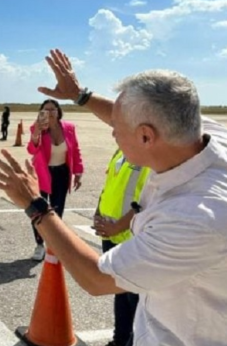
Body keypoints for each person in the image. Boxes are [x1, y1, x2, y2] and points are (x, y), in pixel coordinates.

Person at [0, 48, 227, 346]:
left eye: (116, 128)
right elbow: (148, 119)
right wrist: (81, 96)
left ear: (146, 136)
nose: (112, 133)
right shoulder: (216, 140)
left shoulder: (198, 216)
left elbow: (95, 278)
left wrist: (35, 205)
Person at [92, 148, 151, 346]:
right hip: (110, 233)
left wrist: (116, 227)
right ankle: (120, 340)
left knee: (134, 298)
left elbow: (144, 203)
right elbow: (108, 185)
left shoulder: (147, 157)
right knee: (119, 291)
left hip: (129, 236)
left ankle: (132, 342)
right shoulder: (120, 151)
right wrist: (98, 211)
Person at [26, 98, 84, 260]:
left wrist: (78, 172)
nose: (50, 112)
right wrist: (36, 132)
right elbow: (32, 150)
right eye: (46, 110)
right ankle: (39, 244)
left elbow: (75, 151)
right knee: (38, 211)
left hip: (61, 174)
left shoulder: (69, 128)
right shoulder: (38, 128)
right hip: (42, 174)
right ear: (41, 112)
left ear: (59, 111)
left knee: (57, 212)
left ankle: (54, 244)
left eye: (53, 109)